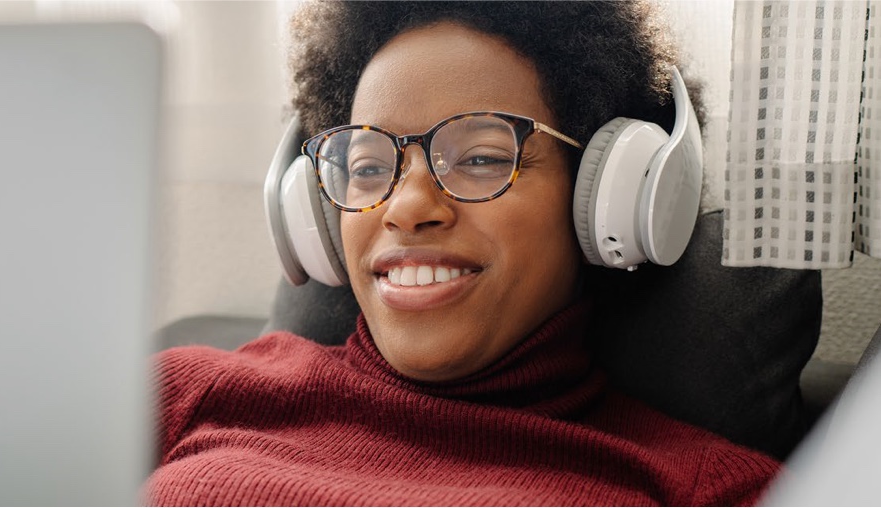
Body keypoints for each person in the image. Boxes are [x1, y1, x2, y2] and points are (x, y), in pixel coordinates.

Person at [145, 1, 780, 505]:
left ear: (607, 195)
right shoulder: (180, 394)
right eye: (368, 166)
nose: (405, 206)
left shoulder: (709, 492)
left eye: (480, 158)